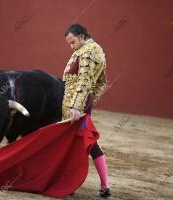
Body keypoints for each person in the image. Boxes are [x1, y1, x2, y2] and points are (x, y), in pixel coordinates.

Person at [62, 23, 112, 197]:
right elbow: (101, 82)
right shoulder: (97, 50)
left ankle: (71, 184)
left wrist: (77, 105)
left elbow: (84, 81)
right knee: (84, 142)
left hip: (75, 106)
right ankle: (104, 185)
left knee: (82, 143)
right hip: (81, 103)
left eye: (73, 41)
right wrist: (90, 100)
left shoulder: (87, 51)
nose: (72, 46)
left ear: (82, 36)